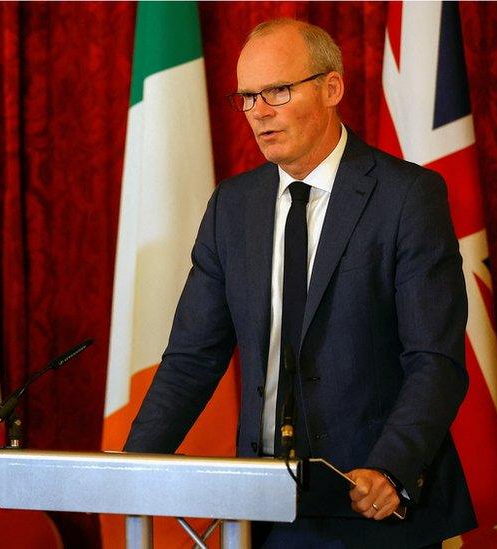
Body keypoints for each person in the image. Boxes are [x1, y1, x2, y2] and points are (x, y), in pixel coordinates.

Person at [124, 18, 477, 548]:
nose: (258, 112)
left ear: (331, 87)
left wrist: (391, 468)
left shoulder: (407, 198)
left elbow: (435, 359)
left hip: (374, 504)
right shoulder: (232, 207)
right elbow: (191, 358)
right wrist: (131, 470)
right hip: (263, 514)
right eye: (246, 97)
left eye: (277, 91)